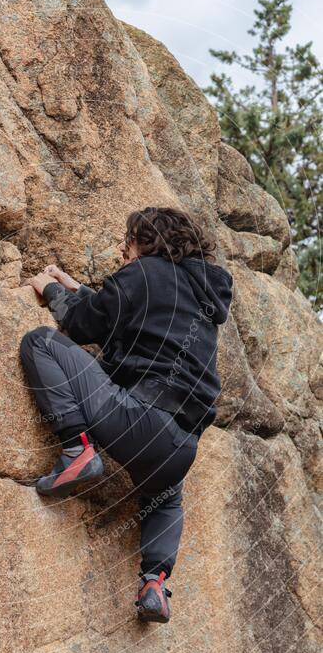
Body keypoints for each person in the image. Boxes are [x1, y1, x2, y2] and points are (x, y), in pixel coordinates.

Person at [20, 207, 233, 623]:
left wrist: (49, 287)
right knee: (165, 499)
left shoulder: (144, 273)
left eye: (129, 239)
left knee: (40, 342)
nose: (122, 247)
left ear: (150, 242)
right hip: (180, 445)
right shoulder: (200, 293)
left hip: (134, 418)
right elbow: (127, 322)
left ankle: (76, 449)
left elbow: (84, 325)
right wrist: (76, 287)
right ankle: (154, 582)